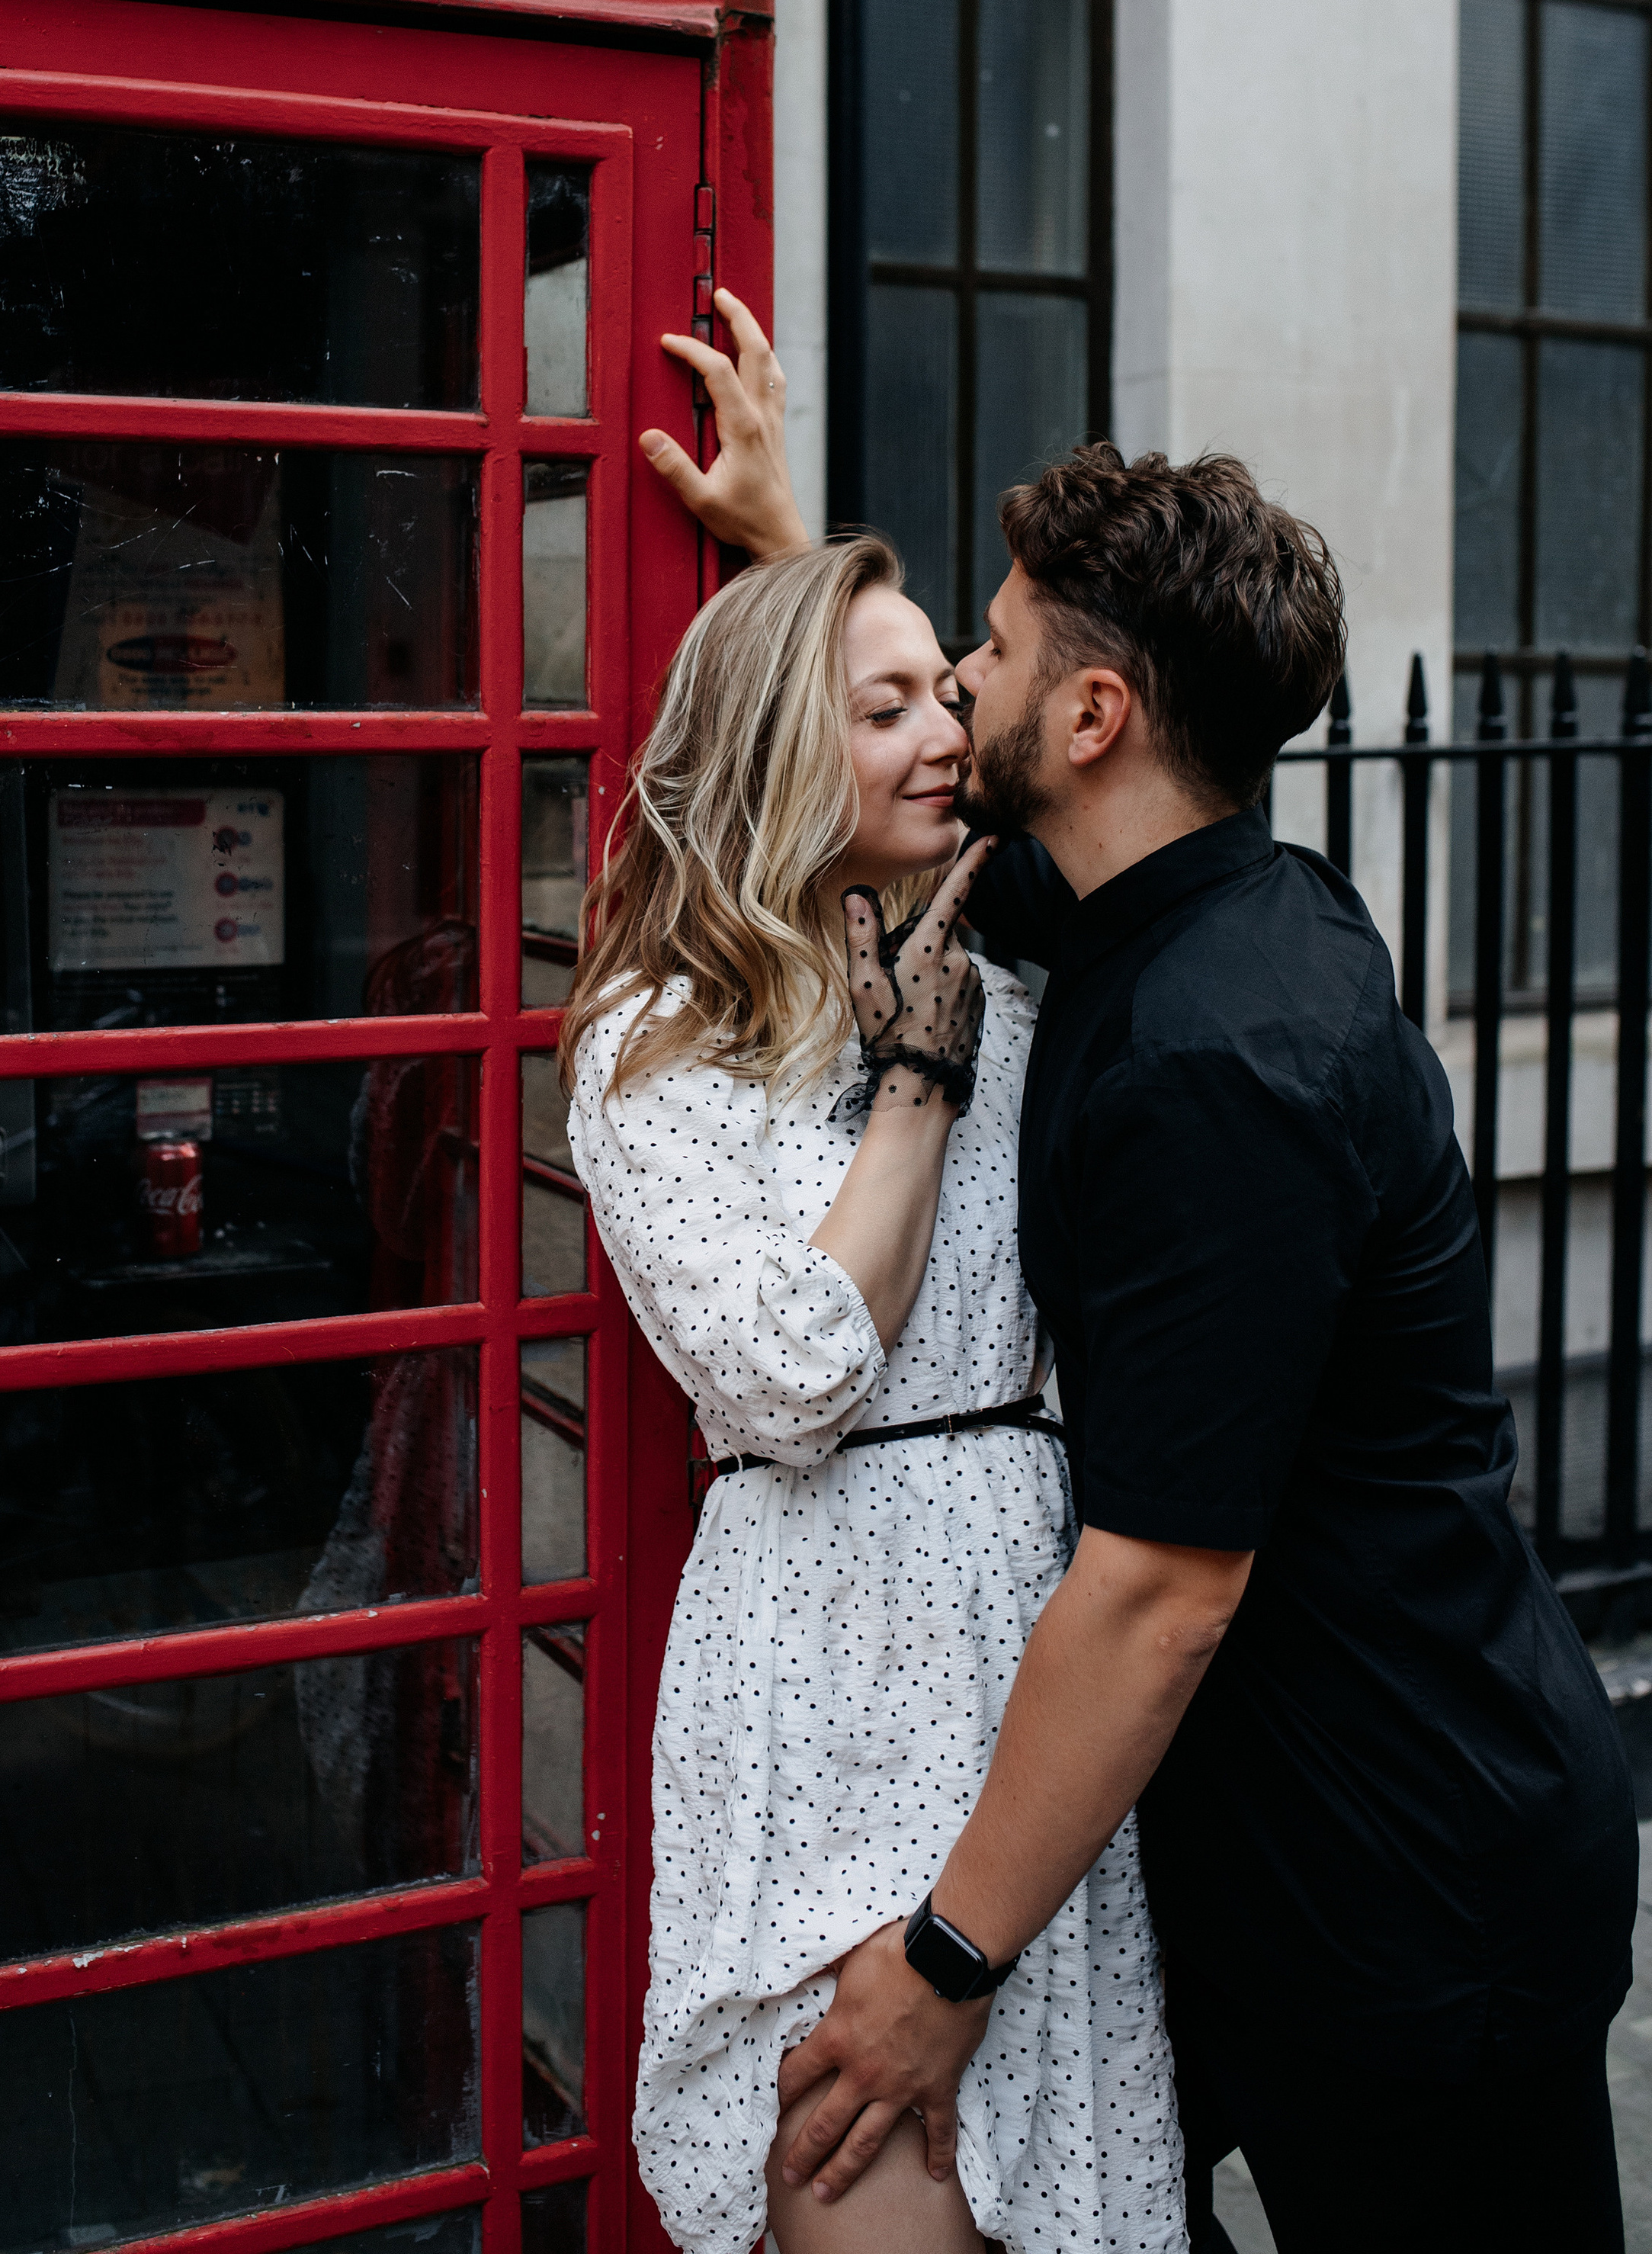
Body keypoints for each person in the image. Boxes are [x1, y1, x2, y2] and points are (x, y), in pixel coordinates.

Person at [640, 294, 1641, 2254]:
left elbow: (1160, 1591)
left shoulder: (1217, 1063)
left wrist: (943, 1961)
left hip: (1411, 1890)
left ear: (1090, 719)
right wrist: (785, 561)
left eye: (986, 659)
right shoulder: (1145, 901)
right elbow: (868, 776)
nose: (950, 695)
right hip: (1259, 1850)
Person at [560, 535, 1188, 2254]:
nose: (945, 732)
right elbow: (795, 1371)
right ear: (777, 744)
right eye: (885, 706)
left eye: (944, 690)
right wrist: (912, 1082)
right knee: (866, 2165)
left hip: (1026, 1645)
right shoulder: (655, 1040)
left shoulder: (1020, 980)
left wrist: (782, 510)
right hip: (824, 1667)